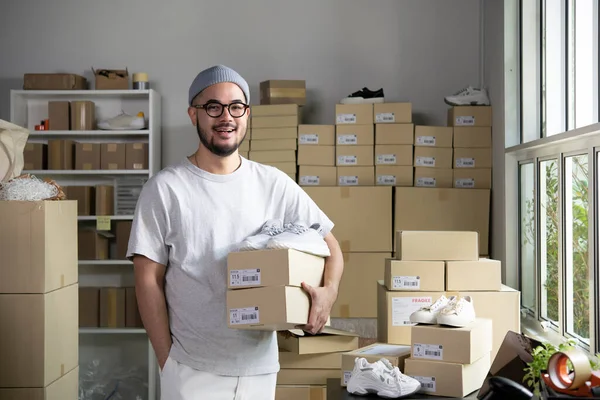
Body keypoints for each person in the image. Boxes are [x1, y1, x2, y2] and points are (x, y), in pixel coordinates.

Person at [127, 65, 344, 400]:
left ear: (247, 114)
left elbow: (330, 244)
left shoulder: (272, 183)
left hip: (259, 367)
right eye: (213, 107)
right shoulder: (166, 189)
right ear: (193, 114)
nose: (225, 116)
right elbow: (147, 280)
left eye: (236, 107)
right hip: (191, 368)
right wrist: (167, 360)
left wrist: (328, 292)